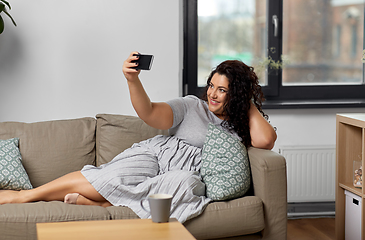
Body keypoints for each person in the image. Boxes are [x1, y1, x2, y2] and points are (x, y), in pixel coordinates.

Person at [0, 52, 276, 221]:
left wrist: (246, 100)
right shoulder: (192, 105)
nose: (212, 95)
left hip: (182, 173)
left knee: (182, 184)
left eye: (223, 90)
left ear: (236, 94)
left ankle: (106, 203)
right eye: (211, 86)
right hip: (157, 155)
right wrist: (133, 80)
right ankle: (25, 196)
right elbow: (150, 113)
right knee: (110, 178)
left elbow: (265, 141)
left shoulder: (240, 126)